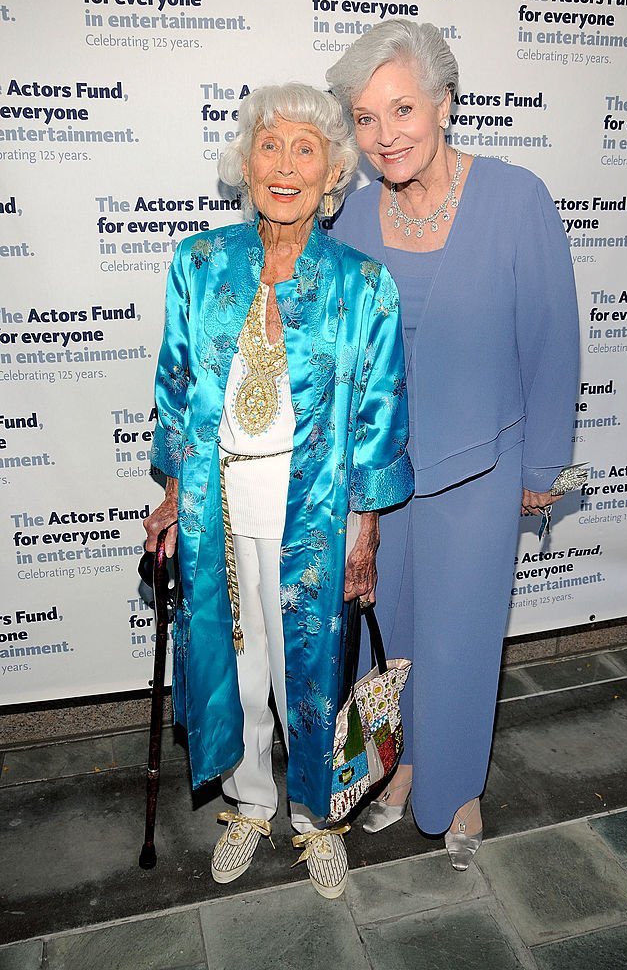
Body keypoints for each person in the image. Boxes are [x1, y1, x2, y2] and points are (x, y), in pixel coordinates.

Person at [143, 83, 413, 898]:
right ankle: (249, 803)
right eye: (271, 146)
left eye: (307, 150)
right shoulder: (198, 262)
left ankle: (316, 818)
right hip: (217, 512)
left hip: (316, 519)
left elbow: (378, 414)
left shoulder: (364, 286)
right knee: (239, 665)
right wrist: (167, 494)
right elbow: (176, 387)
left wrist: (364, 531)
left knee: (312, 677)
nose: (286, 166)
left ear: (333, 172)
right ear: (246, 161)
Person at [326, 20, 579, 869]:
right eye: (364, 118)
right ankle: (393, 773)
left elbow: (550, 341)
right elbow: (343, 362)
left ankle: (456, 787)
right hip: (383, 474)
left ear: (442, 103)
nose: (385, 134)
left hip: (482, 463)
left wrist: (542, 466)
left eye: (401, 109)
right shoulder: (357, 216)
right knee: (384, 633)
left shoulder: (515, 198)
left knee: (459, 636)